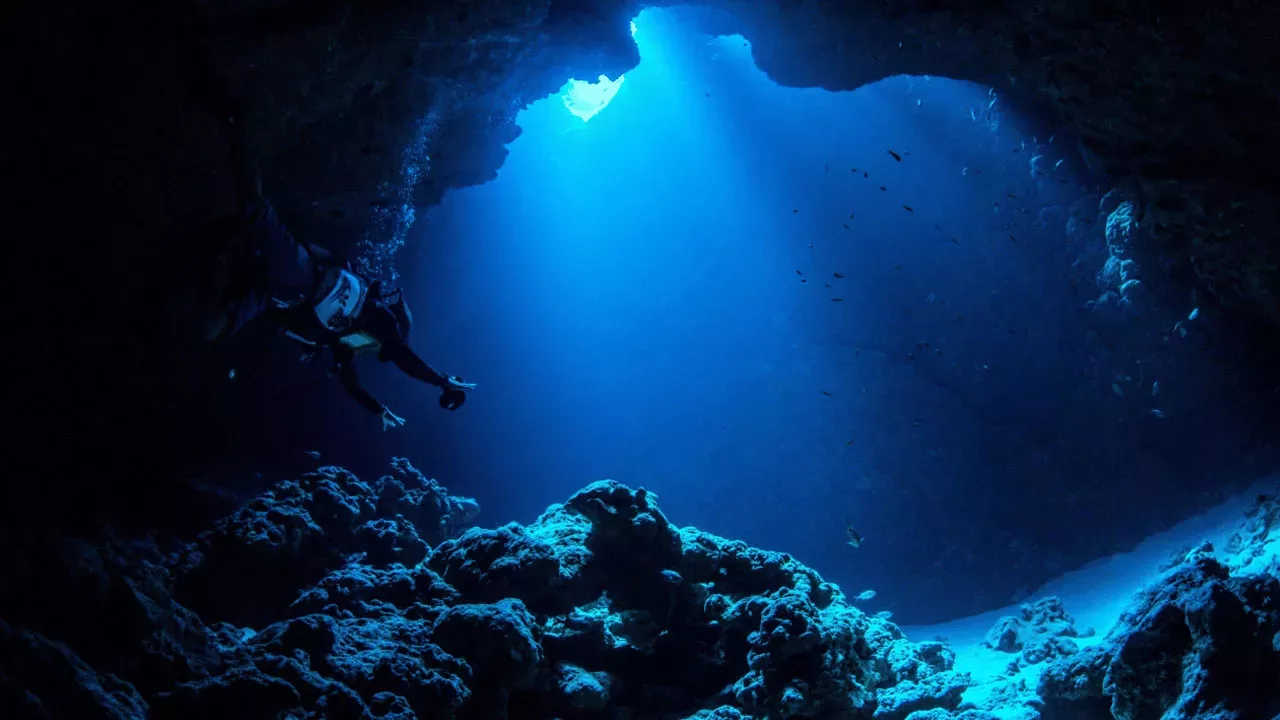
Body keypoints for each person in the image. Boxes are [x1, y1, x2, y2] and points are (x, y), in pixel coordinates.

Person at [202, 110, 474, 431]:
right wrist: (441, 381)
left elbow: (353, 384)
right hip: (299, 277)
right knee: (256, 212)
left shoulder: (347, 342)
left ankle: (220, 258)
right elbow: (403, 358)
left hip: (282, 294)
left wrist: (378, 409)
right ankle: (236, 123)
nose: (378, 349)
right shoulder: (379, 319)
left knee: (217, 325)